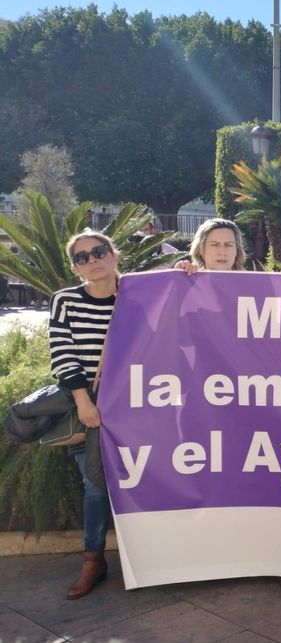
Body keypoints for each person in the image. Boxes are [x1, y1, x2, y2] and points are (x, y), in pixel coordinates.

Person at [49, 230, 120, 599]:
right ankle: (93, 560)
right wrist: (83, 400)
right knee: (94, 487)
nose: (92, 260)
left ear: (114, 254)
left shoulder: (138, 294)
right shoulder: (65, 300)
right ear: (75, 266)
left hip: (135, 404)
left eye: (99, 251)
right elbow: (62, 353)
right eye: (81, 257)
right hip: (89, 405)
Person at [174, 218, 246, 273]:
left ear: (237, 250)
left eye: (228, 245)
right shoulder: (190, 282)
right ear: (200, 249)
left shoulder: (252, 284)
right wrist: (178, 279)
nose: (222, 252)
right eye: (214, 245)